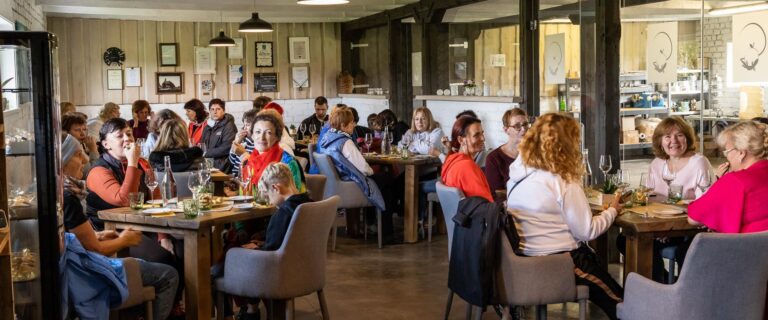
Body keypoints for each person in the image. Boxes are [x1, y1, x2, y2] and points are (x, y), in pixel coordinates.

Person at [505, 113, 623, 319]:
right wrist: (612, 210)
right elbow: (587, 231)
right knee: (620, 301)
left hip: (523, 264)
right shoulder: (562, 180)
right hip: (559, 263)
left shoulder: (516, 175)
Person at [60, 134, 178, 320]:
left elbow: (70, 237)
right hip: (82, 271)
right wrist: (125, 239)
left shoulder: (60, 191)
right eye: (77, 154)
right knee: (169, 272)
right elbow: (124, 200)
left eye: (130, 133)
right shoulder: (91, 178)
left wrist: (98, 236)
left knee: (174, 252)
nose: (84, 158)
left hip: (77, 262)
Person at [215, 162, 312, 320]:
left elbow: (270, 253)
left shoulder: (283, 214)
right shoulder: (309, 204)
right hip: (305, 267)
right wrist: (261, 243)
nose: (270, 202)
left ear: (276, 188)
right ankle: (251, 310)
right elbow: (286, 240)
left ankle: (242, 311)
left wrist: (253, 249)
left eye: (267, 196)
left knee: (223, 262)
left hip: (277, 272)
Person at [688, 121, 768, 233]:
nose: (727, 157)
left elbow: (693, 218)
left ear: (741, 153)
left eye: (727, 152)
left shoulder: (735, 180)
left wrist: (719, 184)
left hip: (745, 248)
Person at [318, 107, 387, 234]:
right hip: (350, 183)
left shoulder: (326, 138)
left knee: (380, 178)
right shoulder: (345, 142)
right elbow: (363, 168)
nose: (354, 125)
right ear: (343, 126)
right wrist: (372, 171)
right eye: (351, 123)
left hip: (335, 183)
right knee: (386, 179)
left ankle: (370, 224)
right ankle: (385, 229)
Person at [646, 116, 712, 200]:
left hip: (689, 212)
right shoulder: (656, 164)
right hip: (657, 212)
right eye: (667, 137)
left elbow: (706, 200)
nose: (674, 141)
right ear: (660, 142)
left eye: (679, 135)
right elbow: (648, 195)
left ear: (687, 140)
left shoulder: (699, 163)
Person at [241, 111, 305, 191]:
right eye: (258, 132)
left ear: (277, 137)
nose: (262, 137)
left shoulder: (287, 163)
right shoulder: (250, 160)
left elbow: (293, 198)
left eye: (268, 133)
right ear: (252, 135)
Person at [441, 115, 493, 202]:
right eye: (476, 135)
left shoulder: (451, 160)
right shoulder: (467, 167)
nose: (483, 138)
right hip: (476, 215)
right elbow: (486, 206)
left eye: (482, 133)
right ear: (461, 140)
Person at [485, 108, 529, 197]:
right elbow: (496, 194)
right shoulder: (494, 158)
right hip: (509, 207)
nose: (523, 129)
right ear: (506, 130)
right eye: (517, 126)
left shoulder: (535, 153)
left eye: (525, 125)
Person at [202, 98, 238, 172]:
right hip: (208, 164)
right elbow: (202, 144)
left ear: (223, 111)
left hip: (222, 166)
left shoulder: (229, 126)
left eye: (218, 109)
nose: (215, 112)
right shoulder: (207, 127)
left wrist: (205, 153)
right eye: (212, 109)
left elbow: (227, 148)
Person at [229, 109, 259, 176]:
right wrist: (236, 142)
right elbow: (231, 161)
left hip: (246, 177)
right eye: (244, 125)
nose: (244, 128)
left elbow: (254, 166)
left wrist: (243, 153)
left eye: (247, 125)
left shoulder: (258, 144)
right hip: (235, 177)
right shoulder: (244, 140)